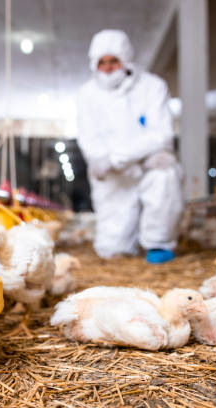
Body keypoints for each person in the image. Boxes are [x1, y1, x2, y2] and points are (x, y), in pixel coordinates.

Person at [76, 29, 183, 264]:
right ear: (94, 63)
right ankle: (121, 244)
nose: (107, 67)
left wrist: (117, 158)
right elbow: (88, 136)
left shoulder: (152, 86)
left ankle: (158, 243)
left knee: (164, 177)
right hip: (113, 174)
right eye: (101, 62)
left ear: (125, 60)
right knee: (112, 249)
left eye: (113, 61)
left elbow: (161, 133)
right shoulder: (86, 95)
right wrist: (101, 160)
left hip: (149, 163)